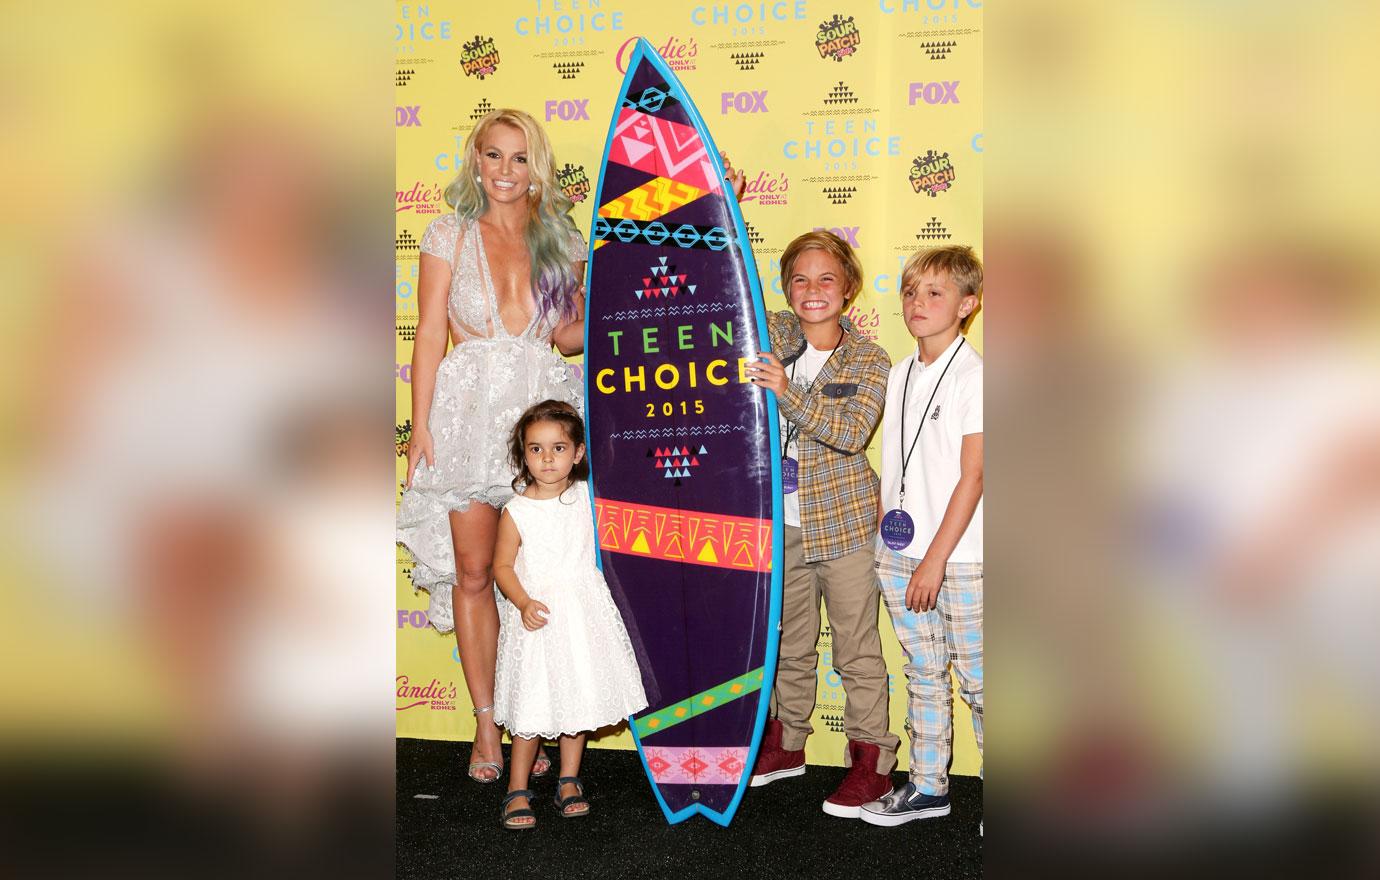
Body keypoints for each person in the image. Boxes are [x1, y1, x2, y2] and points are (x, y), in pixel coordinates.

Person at [397, 108, 587, 783]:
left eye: (518, 158)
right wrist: (420, 424)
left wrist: (602, 300)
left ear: (536, 167)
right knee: (475, 574)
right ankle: (486, 726)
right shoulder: (447, 232)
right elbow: (427, 332)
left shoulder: (561, 241)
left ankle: (530, 721)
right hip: (470, 419)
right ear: (475, 161)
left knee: (533, 580)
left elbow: (567, 337)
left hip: (541, 420)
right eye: (493, 155)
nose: (505, 171)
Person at [743, 231, 900, 817]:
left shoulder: (870, 358)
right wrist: (721, 206)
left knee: (857, 650)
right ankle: (788, 747)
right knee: (788, 644)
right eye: (800, 280)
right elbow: (733, 293)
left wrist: (786, 392)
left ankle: (872, 762)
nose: (813, 291)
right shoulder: (775, 336)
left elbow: (849, 432)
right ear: (787, 289)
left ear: (849, 289)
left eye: (826, 279)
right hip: (780, 526)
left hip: (846, 526)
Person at [859, 245, 983, 827]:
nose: (919, 303)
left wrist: (934, 560)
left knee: (981, 681)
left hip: (960, 559)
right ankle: (929, 786)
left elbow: (975, 475)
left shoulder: (976, 376)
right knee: (924, 675)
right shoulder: (899, 372)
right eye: (911, 292)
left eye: (936, 293)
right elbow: (902, 466)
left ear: (968, 304)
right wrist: (894, 545)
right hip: (900, 551)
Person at [490, 400, 648, 830]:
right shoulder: (516, 511)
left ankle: (568, 780)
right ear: (523, 454)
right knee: (532, 704)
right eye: (536, 449)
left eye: (558, 448)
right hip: (537, 619)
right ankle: (517, 788)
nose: (547, 458)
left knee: (576, 699)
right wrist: (523, 602)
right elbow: (501, 567)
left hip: (582, 614)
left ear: (578, 452)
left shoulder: (586, 497)